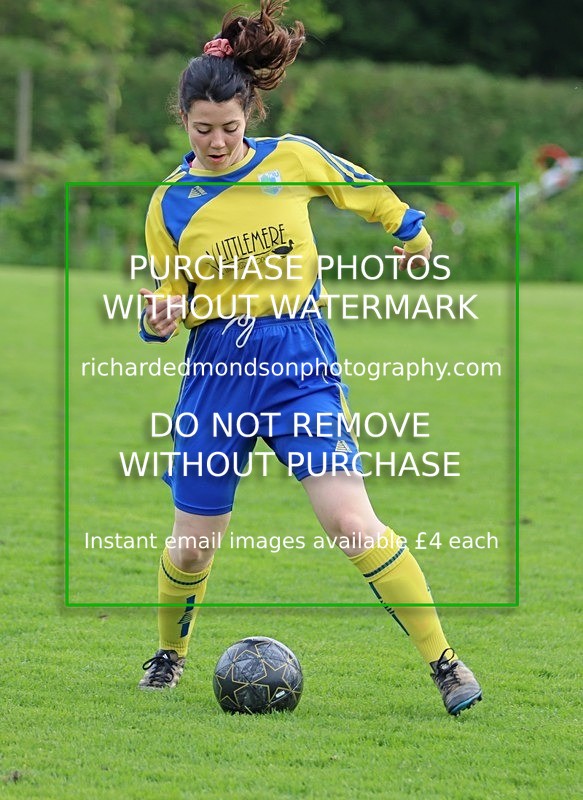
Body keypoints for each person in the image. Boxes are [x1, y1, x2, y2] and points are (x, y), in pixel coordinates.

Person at [137, 0, 482, 716]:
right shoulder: (169, 203)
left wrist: (409, 232)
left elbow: (368, 193)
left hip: (297, 363)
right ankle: (170, 654)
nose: (217, 142)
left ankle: (443, 662)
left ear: (249, 115)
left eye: (229, 128)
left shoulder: (291, 158)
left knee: (351, 522)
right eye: (202, 130)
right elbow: (170, 299)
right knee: (193, 548)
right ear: (182, 122)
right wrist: (159, 316)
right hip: (216, 374)